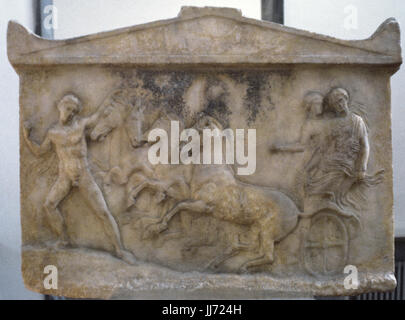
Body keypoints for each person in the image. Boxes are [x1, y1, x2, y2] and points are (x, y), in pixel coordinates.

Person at [23, 94, 136, 264]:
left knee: (103, 212)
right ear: (60, 106)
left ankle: (120, 250)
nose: (70, 113)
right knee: (49, 205)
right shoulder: (53, 133)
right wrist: (26, 137)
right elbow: (40, 152)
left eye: (74, 110)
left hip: (83, 174)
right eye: (68, 108)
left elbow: (97, 116)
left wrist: (108, 100)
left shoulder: (81, 125)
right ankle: (63, 239)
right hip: (65, 176)